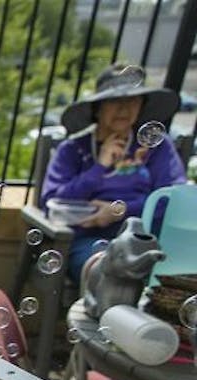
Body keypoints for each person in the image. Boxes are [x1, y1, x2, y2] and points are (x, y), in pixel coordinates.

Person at [39, 63, 184, 283]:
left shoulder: (158, 148)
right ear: (97, 108)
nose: (124, 109)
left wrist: (121, 211)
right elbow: (52, 201)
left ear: (142, 106)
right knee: (110, 276)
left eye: (133, 100)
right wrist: (98, 169)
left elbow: (172, 199)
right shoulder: (73, 150)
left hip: (148, 241)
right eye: (115, 101)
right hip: (89, 242)